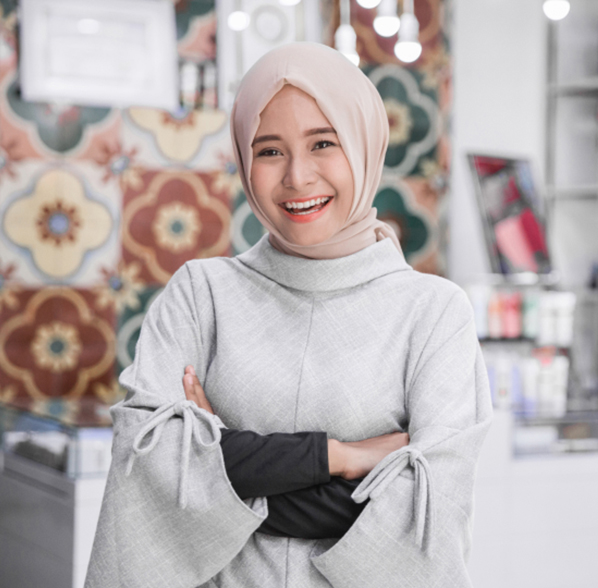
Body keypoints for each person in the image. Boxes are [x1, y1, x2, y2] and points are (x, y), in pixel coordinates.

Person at [85, 42, 492, 588]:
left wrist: (222, 463)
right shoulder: (201, 295)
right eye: (270, 150)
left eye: (323, 143)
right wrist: (345, 458)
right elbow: (149, 473)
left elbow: (426, 514)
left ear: (364, 143)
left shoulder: (434, 314)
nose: (297, 177)